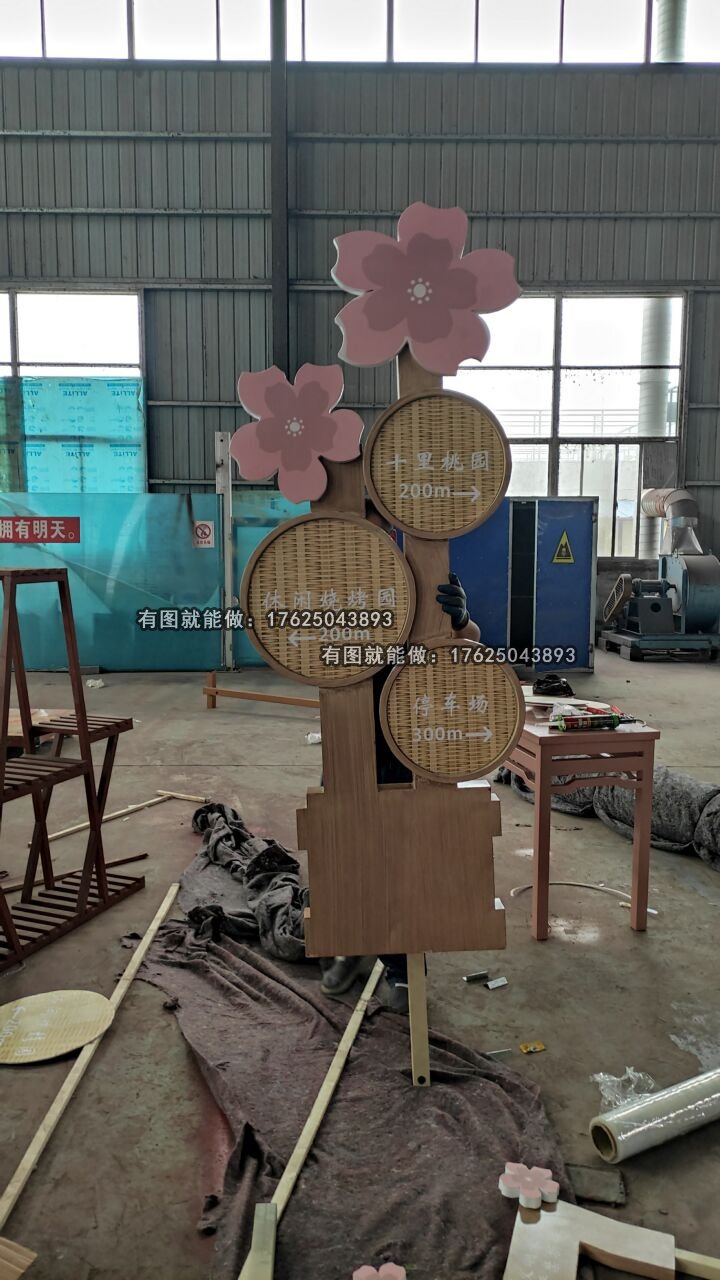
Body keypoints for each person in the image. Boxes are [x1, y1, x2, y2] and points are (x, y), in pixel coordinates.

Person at [320, 505, 480, 1013]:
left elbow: (465, 644)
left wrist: (460, 619)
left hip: (407, 732)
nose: (368, 537)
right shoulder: (330, 581)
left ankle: (404, 961)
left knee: (403, 845)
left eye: (376, 526)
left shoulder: (418, 575)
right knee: (345, 841)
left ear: (390, 529)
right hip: (348, 730)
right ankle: (351, 942)